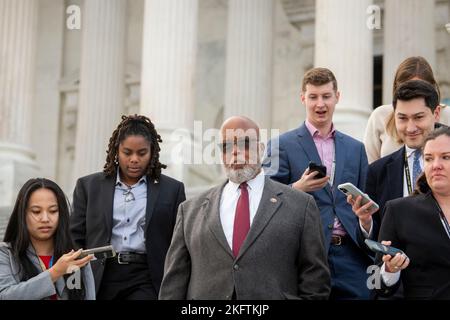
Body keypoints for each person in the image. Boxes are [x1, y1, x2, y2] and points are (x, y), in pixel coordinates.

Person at [159, 116, 330, 300]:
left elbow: (316, 281)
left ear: (261, 150)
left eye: (245, 144)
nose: (236, 153)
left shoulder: (300, 206)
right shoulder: (190, 211)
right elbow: (173, 286)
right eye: (227, 147)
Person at [264, 67, 373, 300]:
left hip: (351, 256)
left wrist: (366, 223)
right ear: (303, 98)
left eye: (326, 96)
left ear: (337, 97)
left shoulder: (356, 149)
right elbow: (263, 199)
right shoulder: (280, 144)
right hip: (305, 255)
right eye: (313, 97)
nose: (320, 104)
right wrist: (297, 188)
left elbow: (365, 201)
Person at [70, 114, 186, 300]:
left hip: (148, 277)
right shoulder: (88, 186)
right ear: (117, 151)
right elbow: (75, 237)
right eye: (127, 152)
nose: (134, 159)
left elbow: (179, 242)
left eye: (142, 153)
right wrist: (76, 281)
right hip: (100, 276)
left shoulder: (172, 190)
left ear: (152, 152)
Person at [350, 80, 442, 225]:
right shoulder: (377, 171)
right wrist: (366, 222)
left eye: (418, 117)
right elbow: (374, 236)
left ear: (436, 113)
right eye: (402, 118)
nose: (410, 128)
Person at [375, 126, 450, 299]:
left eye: (446, 157)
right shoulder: (399, 210)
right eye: (429, 159)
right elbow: (377, 283)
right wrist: (389, 270)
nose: (436, 166)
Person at [0, 178, 95, 300]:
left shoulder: (76, 258)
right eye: (36, 211)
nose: (45, 218)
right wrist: (55, 272)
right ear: (22, 214)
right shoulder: (6, 254)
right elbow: (5, 295)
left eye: (53, 211)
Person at [364, 56, 450, 164]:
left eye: (419, 117)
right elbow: (370, 168)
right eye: (406, 89)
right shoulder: (379, 116)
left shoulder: (447, 115)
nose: (412, 95)